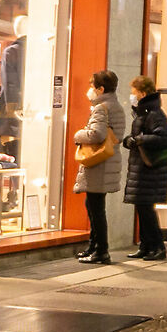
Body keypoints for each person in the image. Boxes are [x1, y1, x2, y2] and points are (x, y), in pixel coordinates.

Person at [71, 69, 125, 264]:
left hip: (99, 165)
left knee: (96, 209)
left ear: (101, 89)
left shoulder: (102, 107)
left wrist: (78, 135)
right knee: (93, 206)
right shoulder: (115, 106)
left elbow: (97, 135)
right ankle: (93, 247)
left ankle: (101, 251)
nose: (89, 90)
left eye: (91, 86)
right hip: (108, 162)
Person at [121, 75, 167, 261]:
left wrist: (140, 139)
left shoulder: (154, 114)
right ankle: (146, 245)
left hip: (149, 171)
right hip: (142, 169)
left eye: (134, 92)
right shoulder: (144, 112)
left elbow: (164, 138)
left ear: (142, 93)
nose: (131, 96)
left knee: (146, 210)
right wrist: (130, 141)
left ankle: (158, 246)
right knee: (142, 209)